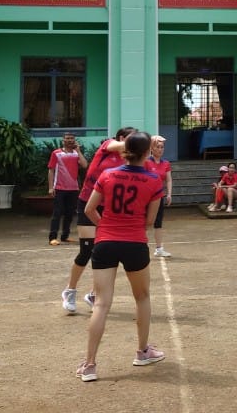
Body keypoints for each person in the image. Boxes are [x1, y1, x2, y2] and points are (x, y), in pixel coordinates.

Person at [75, 131, 166, 382]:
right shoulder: (154, 180)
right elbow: (149, 221)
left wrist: (105, 225)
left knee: (102, 303)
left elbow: (89, 209)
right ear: (147, 152)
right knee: (143, 297)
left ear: (125, 151)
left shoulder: (107, 175)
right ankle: (142, 351)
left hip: (105, 242)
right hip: (135, 242)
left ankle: (90, 365)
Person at [61, 126, 134, 314]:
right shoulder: (107, 146)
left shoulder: (129, 159)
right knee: (86, 250)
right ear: (121, 138)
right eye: (131, 139)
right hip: (88, 201)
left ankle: (93, 294)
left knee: (105, 251)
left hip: (108, 207)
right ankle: (70, 290)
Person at [48, 132, 87, 246]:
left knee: (70, 213)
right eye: (67, 138)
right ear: (63, 140)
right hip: (59, 188)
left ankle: (65, 236)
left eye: (72, 138)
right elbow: (51, 170)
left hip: (73, 188)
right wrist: (51, 188)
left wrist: (79, 151)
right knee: (57, 213)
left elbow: (84, 165)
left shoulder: (76, 154)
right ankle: (53, 237)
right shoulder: (57, 153)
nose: (70, 140)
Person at [145, 135, 173, 258]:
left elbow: (168, 180)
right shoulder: (146, 162)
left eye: (162, 147)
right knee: (143, 222)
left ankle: (159, 249)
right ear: (152, 148)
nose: (160, 149)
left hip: (159, 197)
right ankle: (140, 246)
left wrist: (169, 194)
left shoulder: (166, 163)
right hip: (145, 198)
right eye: (158, 147)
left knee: (158, 223)